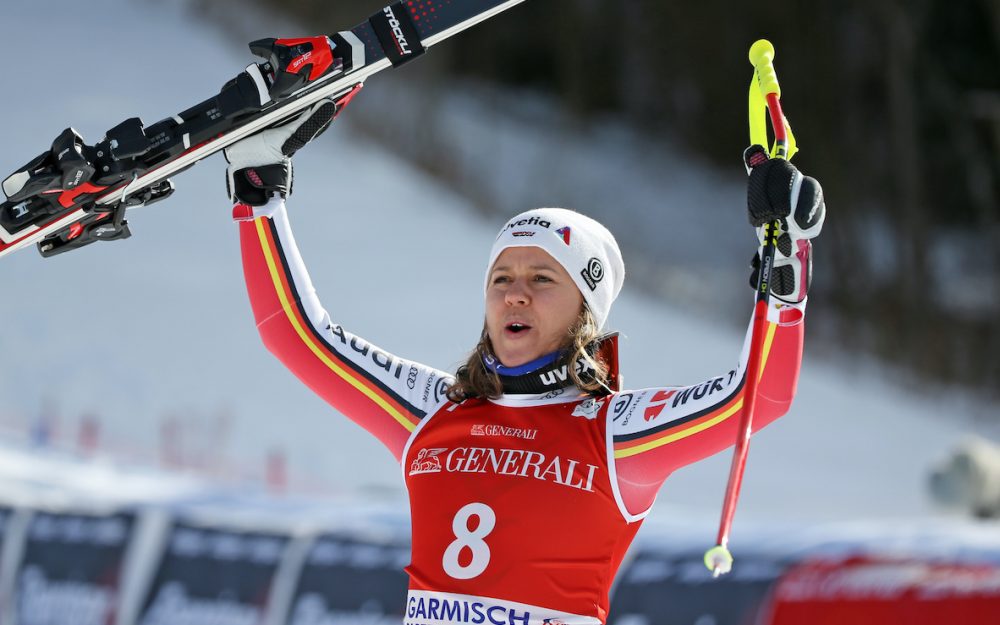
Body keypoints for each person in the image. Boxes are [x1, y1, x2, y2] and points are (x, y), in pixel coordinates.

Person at [224, 98, 825, 625]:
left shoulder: (617, 433)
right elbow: (297, 334)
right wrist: (260, 193)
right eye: (501, 278)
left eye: (542, 278)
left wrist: (786, 266)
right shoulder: (428, 411)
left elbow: (759, 397)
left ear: (586, 313)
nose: (515, 293)